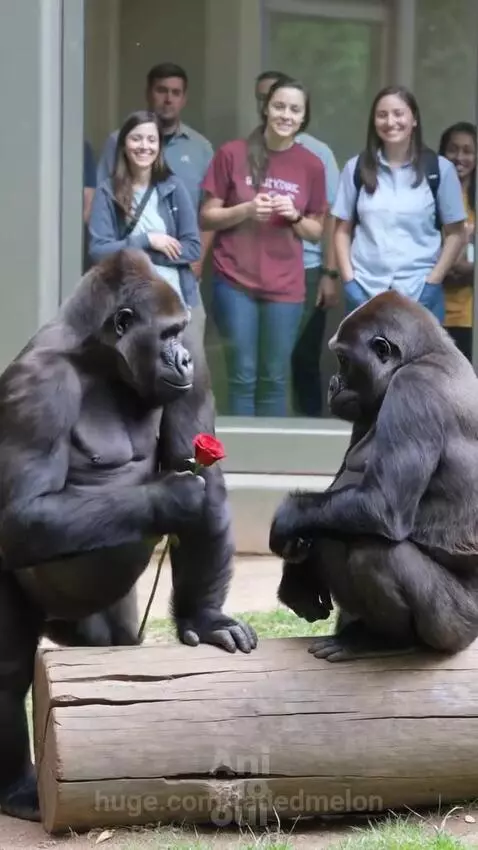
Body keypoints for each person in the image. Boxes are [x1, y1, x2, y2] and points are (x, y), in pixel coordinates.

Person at [200, 77, 327, 417]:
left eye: (295, 109)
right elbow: (207, 217)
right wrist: (245, 210)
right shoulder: (232, 153)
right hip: (235, 282)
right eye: (279, 106)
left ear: (304, 117)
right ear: (266, 109)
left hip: (285, 287)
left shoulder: (312, 165)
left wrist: (294, 216)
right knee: (242, 376)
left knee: (274, 376)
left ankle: (271, 447)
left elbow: (316, 232)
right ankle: (240, 447)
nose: (286, 115)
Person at [332, 85, 467, 322]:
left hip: (420, 294)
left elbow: (456, 233)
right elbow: (341, 230)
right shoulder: (356, 167)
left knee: (420, 349)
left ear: (414, 119)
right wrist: (350, 282)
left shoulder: (439, 169)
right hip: (365, 292)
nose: (390, 122)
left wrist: (433, 282)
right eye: (382, 115)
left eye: (398, 113)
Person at [97, 63, 214, 320]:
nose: (168, 98)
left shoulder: (200, 150)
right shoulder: (115, 145)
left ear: (184, 98)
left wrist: (196, 262)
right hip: (124, 284)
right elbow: (99, 237)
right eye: (162, 90)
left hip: (180, 278)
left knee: (186, 341)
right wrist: (148, 243)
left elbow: (206, 215)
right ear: (149, 93)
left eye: (175, 92)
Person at [255, 71, 340, 417]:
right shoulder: (246, 150)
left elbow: (331, 216)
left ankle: (307, 433)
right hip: (256, 271)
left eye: (284, 103)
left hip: (307, 269)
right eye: (262, 99)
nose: (269, 106)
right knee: (262, 362)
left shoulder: (318, 154)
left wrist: (329, 273)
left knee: (302, 358)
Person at [88, 110, 201, 335]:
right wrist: (148, 240)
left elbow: (192, 248)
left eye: (151, 139)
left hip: (174, 301)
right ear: (123, 145)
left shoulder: (174, 187)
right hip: (126, 302)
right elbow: (99, 251)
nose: (144, 146)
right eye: (136, 138)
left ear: (159, 146)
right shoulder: (107, 191)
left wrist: (138, 256)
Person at [439, 121, 476, 360]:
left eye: (468, 151)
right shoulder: (428, 197)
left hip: (469, 316)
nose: (459, 157)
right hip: (433, 314)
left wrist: (466, 268)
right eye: (453, 149)